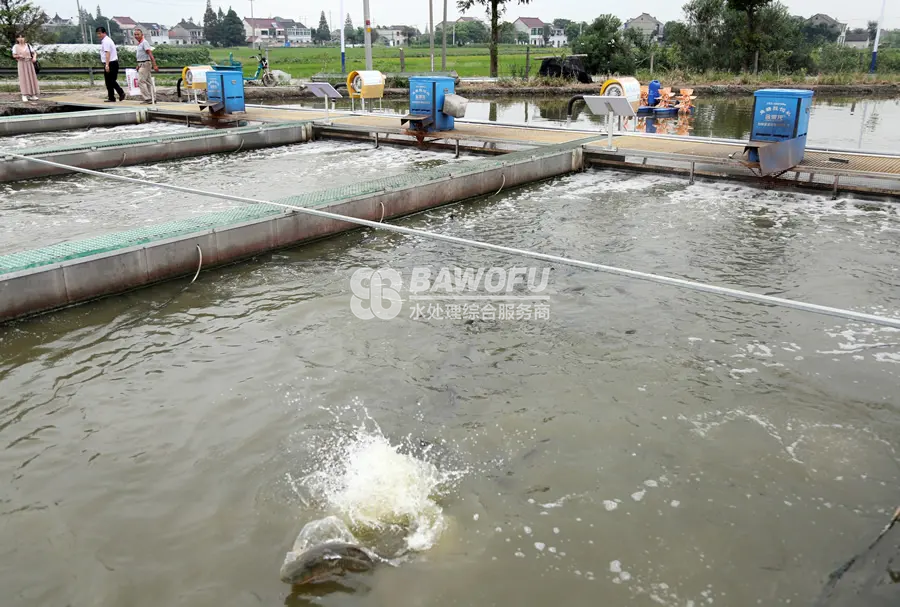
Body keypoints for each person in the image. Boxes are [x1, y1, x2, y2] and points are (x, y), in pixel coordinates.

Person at [96, 26, 124, 102]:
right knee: (108, 81)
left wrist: (107, 65)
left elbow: (107, 53)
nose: (99, 35)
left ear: (104, 33)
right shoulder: (105, 41)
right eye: (97, 34)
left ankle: (121, 92)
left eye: (100, 33)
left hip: (111, 63)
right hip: (110, 62)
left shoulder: (106, 41)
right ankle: (111, 97)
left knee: (111, 81)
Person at [11, 33, 39, 102]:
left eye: (22, 37)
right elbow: (14, 55)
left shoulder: (28, 45)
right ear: (17, 39)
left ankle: (33, 95)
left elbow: (34, 53)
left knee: (31, 78)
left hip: (29, 63)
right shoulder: (15, 46)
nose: (21, 39)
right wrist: (19, 56)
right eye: (19, 37)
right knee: (23, 78)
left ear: (24, 38)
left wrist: (34, 58)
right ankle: (24, 95)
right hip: (21, 63)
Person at [133, 28, 158, 104]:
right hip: (141, 63)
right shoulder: (140, 44)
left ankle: (148, 98)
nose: (136, 36)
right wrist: (138, 65)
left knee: (141, 81)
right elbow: (141, 55)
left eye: (138, 34)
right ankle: (153, 97)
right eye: (135, 34)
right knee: (148, 81)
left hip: (145, 64)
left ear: (142, 35)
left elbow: (150, 53)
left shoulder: (144, 42)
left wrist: (154, 64)